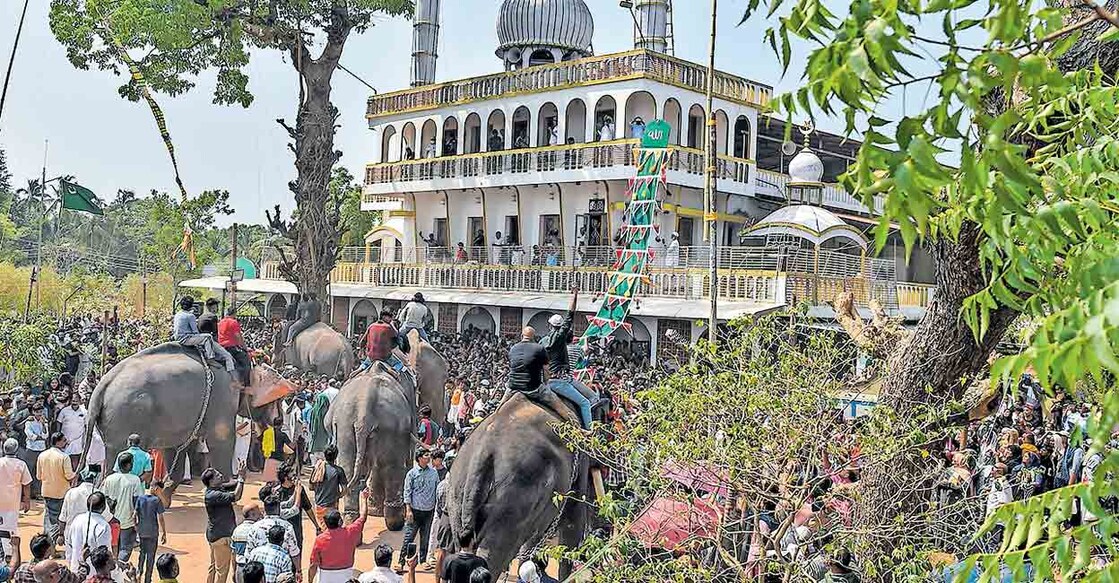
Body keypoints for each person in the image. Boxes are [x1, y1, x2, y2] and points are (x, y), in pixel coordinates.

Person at [538, 288, 593, 429]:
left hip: (544, 381)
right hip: (560, 381)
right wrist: (575, 295)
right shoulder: (560, 337)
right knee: (585, 403)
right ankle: (590, 433)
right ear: (560, 327)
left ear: (549, 325)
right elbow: (570, 315)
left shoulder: (542, 341)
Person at [307, 491, 368, 583]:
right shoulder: (350, 532)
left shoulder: (320, 539)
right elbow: (363, 517)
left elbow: (313, 565)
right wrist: (364, 499)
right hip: (346, 575)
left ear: (326, 524)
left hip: (325, 577)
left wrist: (310, 581)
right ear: (340, 521)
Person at [202, 465, 246, 583]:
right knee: (222, 571)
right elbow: (236, 496)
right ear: (211, 481)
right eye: (217, 475)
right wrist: (241, 479)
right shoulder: (214, 495)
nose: (220, 475)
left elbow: (233, 485)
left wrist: (240, 477)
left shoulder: (215, 489)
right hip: (222, 537)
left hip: (214, 535)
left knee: (214, 567)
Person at [100, 452, 145, 562]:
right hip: (127, 521)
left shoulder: (109, 479)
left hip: (110, 520)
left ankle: (113, 570)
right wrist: (138, 522)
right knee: (125, 549)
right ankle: (119, 569)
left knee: (111, 548)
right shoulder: (135, 480)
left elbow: (103, 498)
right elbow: (137, 502)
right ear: (129, 465)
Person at [399, 449, 438, 571]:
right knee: (409, 537)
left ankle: (423, 560)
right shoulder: (411, 474)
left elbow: (437, 491)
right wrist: (408, 509)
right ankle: (401, 561)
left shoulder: (434, 473)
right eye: (426, 455)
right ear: (419, 458)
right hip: (415, 512)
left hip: (429, 511)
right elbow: (407, 492)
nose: (428, 458)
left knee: (425, 537)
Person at [249, 485, 301, 577]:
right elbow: (294, 552)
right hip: (280, 570)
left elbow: (249, 553)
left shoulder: (254, 527)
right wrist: (298, 570)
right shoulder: (287, 527)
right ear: (278, 508)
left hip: (258, 572)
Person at [37, 432, 75, 542]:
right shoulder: (64, 457)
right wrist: (75, 475)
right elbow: (69, 476)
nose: (66, 442)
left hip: (47, 491)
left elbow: (39, 476)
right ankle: (52, 544)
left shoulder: (42, 455)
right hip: (61, 492)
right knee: (60, 519)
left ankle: (47, 545)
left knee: (48, 519)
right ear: (58, 442)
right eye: (64, 440)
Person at [65, 492, 111, 573]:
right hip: (93, 573)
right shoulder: (103, 525)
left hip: (76, 568)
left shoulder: (77, 519)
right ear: (104, 507)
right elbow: (104, 554)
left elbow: (69, 542)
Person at [275, 465, 320, 550]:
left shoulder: (299, 489)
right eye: (291, 474)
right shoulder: (277, 493)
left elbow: (308, 508)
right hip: (280, 532)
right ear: (285, 477)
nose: (294, 476)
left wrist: (317, 526)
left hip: (296, 530)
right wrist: (297, 493)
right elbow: (292, 507)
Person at [14, 533, 88, 582]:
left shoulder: (21, 571)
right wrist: (82, 561)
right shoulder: (59, 572)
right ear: (48, 551)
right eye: (52, 544)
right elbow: (79, 578)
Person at [133, 481, 166, 583]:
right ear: (156, 488)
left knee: (142, 553)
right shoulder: (157, 500)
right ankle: (148, 579)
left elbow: (134, 515)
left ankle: (139, 572)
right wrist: (164, 532)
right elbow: (161, 518)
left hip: (142, 531)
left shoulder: (140, 498)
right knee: (150, 557)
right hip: (153, 532)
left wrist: (136, 527)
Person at [0, 438, 31, 541]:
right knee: (10, 529)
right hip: (12, 503)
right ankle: (9, 553)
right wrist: (27, 501)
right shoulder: (21, 464)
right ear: (16, 450)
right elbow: (26, 484)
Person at [58, 470, 98, 547]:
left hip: (70, 535)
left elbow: (63, 517)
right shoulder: (97, 494)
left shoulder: (70, 492)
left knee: (71, 558)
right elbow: (106, 516)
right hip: (89, 535)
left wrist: (61, 534)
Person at [310, 445, 346, 527]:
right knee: (334, 530)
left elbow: (310, 487)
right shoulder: (339, 470)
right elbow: (345, 490)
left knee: (323, 530)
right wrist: (337, 495)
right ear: (336, 456)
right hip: (332, 506)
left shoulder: (317, 468)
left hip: (319, 506)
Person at [219, 308, 252, 386]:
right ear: (234, 314)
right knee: (246, 360)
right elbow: (238, 337)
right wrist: (245, 348)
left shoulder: (220, 322)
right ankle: (245, 384)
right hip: (231, 347)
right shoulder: (234, 322)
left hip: (220, 347)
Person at [231, 503, 263, 580]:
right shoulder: (258, 529)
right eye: (258, 511)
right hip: (254, 570)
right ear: (252, 514)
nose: (261, 513)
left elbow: (233, 553)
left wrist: (234, 570)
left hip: (240, 568)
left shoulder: (237, 530)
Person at [56, 399, 87, 471]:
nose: (74, 402)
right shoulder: (64, 410)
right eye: (73, 401)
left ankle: (74, 476)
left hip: (77, 439)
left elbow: (86, 425)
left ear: (79, 401)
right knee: (63, 458)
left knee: (75, 457)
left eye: (76, 401)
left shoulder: (84, 412)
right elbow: (58, 422)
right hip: (64, 439)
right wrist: (58, 435)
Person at [23, 408, 48, 496]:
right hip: (31, 449)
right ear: (33, 412)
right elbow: (30, 435)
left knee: (39, 471)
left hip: (41, 449)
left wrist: (44, 425)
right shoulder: (29, 422)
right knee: (29, 470)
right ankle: (26, 493)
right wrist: (39, 437)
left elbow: (46, 435)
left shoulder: (44, 422)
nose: (39, 414)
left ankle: (37, 492)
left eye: (40, 412)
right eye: (37, 412)